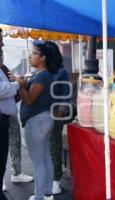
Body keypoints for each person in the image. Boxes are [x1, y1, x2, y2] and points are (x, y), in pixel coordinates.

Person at [14, 42, 59, 200]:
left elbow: (29, 100)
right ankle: (47, 193)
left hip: (36, 121)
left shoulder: (41, 76)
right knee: (45, 158)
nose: (29, 56)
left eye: (33, 53)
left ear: (43, 58)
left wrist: (21, 85)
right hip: (44, 119)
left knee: (38, 162)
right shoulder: (43, 75)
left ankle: (40, 196)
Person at [1, 65, 34, 192]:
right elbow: (3, 90)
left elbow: (11, 80)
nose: (2, 55)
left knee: (15, 142)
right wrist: (17, 84)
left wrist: (18, 80)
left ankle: (16, 173)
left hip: (9, 114)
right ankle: (2, 180)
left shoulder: (3, 67)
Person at [44, 41, 69, 195]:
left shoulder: (61, 71)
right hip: (41, 114)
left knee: (54, 146)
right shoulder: (43, 70)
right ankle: (48, 176)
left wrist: (60, 111)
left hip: (55, 113)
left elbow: (65, 94)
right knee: (45, 147)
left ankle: (56, 180)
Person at [0, 28, 20, 200]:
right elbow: (2, 89)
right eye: (0, 40)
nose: (2, 44)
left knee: (2, 158)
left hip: (4, 119)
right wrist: (17, 86)